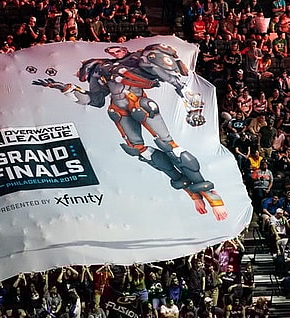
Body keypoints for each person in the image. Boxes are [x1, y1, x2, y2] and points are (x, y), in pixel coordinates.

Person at [33, 44, 228, 220]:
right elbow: (95, 99)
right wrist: (65, 89)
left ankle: (208, 191)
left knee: (170, 147)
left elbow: (165, 75)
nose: (115, 53)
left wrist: (185, 93)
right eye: (111, 51)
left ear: (125, 49)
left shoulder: (139, 59)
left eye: (118, 49)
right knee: (141, 151)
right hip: (119, 111)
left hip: (140, 104)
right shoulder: (101, 68)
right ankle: (191, 191)